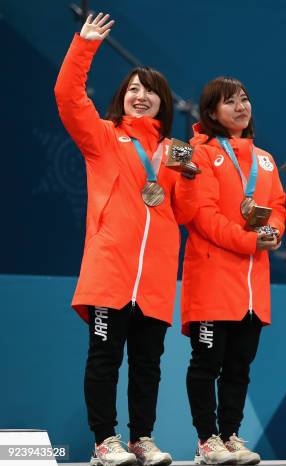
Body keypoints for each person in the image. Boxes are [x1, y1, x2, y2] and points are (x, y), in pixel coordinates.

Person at [55, 12, 200, 466]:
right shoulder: (103, 137)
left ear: (163, 103)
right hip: (111, 270)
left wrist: (193, 172)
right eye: (133, 89)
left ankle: (142, 439)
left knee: (148, 365)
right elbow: (68, 96)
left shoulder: (174, 154)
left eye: (150, 90)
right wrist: (85, 44)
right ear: (122, 97)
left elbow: (187, 212)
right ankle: (105, 442)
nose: (141, 96)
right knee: (104, 359)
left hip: (155, 275)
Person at [181, 76, 286, 465]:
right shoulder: (200, 153)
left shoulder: (265, 159)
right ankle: (207, 440)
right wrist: (248, 241)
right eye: (230, 102)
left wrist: (273, 230)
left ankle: (230, 436)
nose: (241, 107)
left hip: (252, 285)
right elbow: (202, 215)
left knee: (240, 366)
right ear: (211, 112)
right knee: (207, 364)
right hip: (211, 278)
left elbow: (277, 204)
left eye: (244, 99)